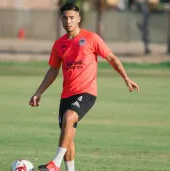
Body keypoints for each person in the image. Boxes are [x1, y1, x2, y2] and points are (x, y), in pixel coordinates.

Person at [29, 2, 139, 171]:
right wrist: (38, 92)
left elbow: (111, 58)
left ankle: (55, 163)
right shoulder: (59, 44)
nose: (68, 21)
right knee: (68, 136)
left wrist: (126, 77)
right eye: (65, 18)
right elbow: (53, 71)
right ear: (61, 19)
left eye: (72, 17)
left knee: (69, 117)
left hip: (87, 92)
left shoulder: (91, 38)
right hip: (66, 95)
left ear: (79, 19)